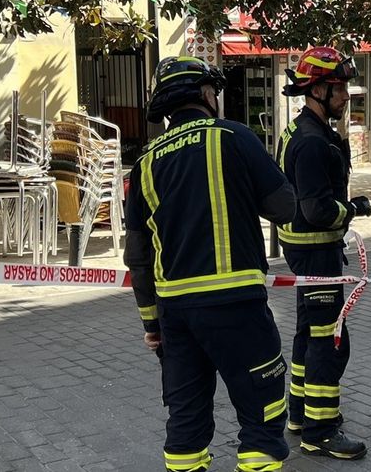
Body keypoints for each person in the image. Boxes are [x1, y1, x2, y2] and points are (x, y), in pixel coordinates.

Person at [124, 57, 297, 472]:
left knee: (185, 417)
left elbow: (138, 257)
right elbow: (284, 208)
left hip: (176, 314)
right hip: (236, 304)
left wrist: (152, 324)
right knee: (262, 411)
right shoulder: (234, 137)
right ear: (206, 94)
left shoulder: (145, 162)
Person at [275, 46, 371, 461]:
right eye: (339, 88)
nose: (347, 95)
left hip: (304, 252)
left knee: (308, 335)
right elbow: (317, 210)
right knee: (331, 342)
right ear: (317, 90)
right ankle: (321, 430)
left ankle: (300, 414)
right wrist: (353, 209)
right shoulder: (313, 143)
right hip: (317, 254)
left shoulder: (301, 131)